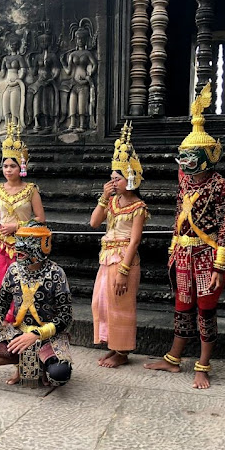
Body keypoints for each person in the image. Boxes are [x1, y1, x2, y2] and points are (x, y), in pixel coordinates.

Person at [144, 84, 225, 389]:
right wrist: (172, 250)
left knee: (205, 310)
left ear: (205, 156)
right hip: (182, 254)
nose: (184, 163)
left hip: (206, 255)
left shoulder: (219, 186)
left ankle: (203, 365)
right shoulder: (185, 183)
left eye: (190, 157)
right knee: (181, 306)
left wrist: (220, 264)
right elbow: (178, 218)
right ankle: (174, 359)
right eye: (182, 157)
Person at [0, 221, 73, 387]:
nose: (18, 248)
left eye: (26, 242)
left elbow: (65, 316)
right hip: (16, 332)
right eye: (18, 241)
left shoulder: (56, 273)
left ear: (43, 245)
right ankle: (18, 361)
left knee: (59, 374)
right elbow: (0, 305)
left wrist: (37, 334)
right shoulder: (13, 270)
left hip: (48, 335)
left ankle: (43, 365)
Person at [90, 121, 148, 368]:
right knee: (102, 301)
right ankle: (113, 346)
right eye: (111, 178)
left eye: (118, 178)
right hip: (107, 257)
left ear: (131, 178)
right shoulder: (112, 203)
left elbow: (135, 240)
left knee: (121, 302)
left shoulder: (139, 207)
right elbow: (94, 223)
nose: (113, 183)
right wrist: (104, 197)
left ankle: (123, 353)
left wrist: (124, 271)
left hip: (124, 259)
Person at [0, 121, 45, 323]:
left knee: (24, 286)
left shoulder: (31, 189)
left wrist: (17, 226)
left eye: (13, 166)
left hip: (25, 246)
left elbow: (40, 219)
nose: (8, 170)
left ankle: (23, 325)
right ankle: (3, 326)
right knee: (2, 286)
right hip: (2, 247)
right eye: (5, 166)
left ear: (22, 167)